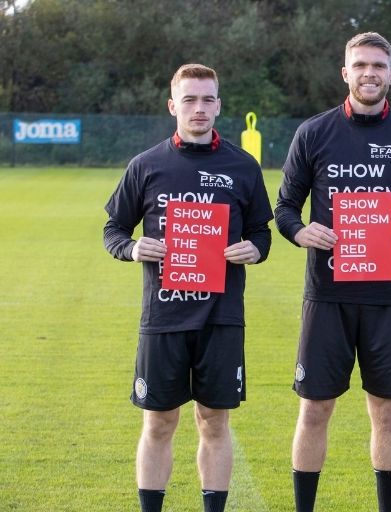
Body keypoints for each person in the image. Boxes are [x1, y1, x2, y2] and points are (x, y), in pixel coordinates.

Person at [275, 32, 391, 512]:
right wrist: (300, 231)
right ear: (345, 73)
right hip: (327, 294)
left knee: (386, 411)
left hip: (388, 296)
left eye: (378, 65)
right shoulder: (314, 132)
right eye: (360, 65)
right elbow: (285, 206)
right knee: (314, 408)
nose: (369, 73)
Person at [103, 63, 273, 512]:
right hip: (163, 318)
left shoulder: (242, 166)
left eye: (208, 99)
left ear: (218, 105)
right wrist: (134, 248)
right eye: (190, 99)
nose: (199, 108)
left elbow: (262, 233)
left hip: (221, 318)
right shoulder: (146, 165)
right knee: (159, 422)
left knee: (214, 421)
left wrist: (254, 250)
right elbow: (113, 230)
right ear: (172, 105)